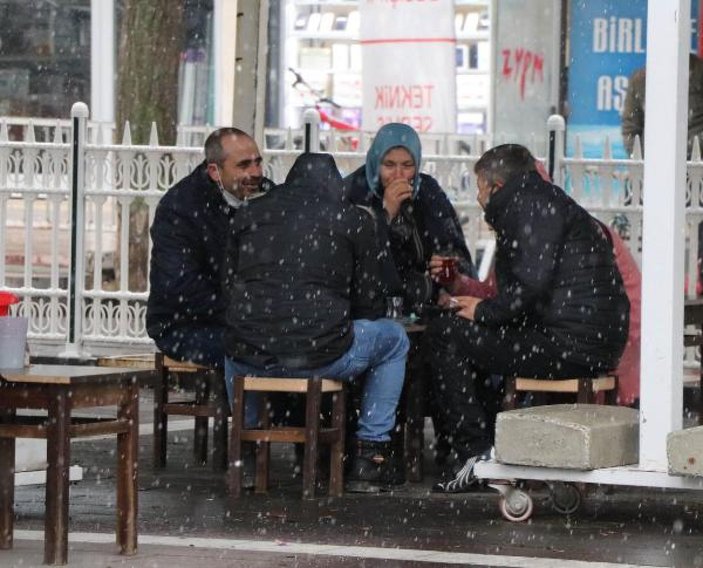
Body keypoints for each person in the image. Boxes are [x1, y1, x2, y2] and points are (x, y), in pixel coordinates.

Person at [427, 144, 630, 493]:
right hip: (594, 343)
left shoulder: (525, 207)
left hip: (567, 345)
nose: (477, 197)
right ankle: (493, 446)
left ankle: (476, 454)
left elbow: (529, 285)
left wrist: (483, 311)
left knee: (445, 333)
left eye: (478, 186)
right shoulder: (550, 203)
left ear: (496, 186)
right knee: (474, 338)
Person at [223, 152, 410, 493]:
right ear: (336, 186)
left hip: (251, 355)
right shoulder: (353, 219)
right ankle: (370, 455)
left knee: (234, 342)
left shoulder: (248, 213)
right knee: (395, 339)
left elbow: (230, 288)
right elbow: (370, 304)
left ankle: (245, 453)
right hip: (324, 354)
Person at [147, 127, 273, 378]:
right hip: (185, 326)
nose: (256, 173)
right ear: (215, 171)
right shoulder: (179, 209)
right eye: (244, 165)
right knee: (260, 352)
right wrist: (246, 313)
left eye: (258, 162)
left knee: (301, 346)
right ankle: (249, 416)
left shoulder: (268, 194)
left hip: (251, 320)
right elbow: (181, 286)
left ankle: (292, 415)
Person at [344, 122, 475, 311]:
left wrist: (447, 271)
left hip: (428, 300)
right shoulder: (355, 193)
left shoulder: (427, 191)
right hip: (374, 305)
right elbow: (361, 262)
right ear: (375, 162)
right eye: (389, 165)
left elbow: (453, 247)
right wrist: (385, 215)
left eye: (407, 165)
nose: (398, 175)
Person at [622, 53, 703, 158]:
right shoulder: (640, 80)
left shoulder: (699, 73)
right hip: (654, 163)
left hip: (696, 165)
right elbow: (630, 128)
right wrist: (644, 161)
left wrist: (692, 152)